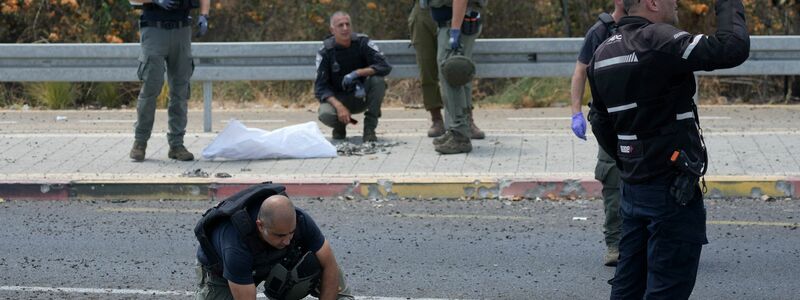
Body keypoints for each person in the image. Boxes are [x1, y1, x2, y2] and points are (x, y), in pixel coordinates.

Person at [587, 0, 749, 298]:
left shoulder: (603, 51)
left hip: (632, 189)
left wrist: (628, 161)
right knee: (667, 289)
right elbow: (732, 48)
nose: (676, 3)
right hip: (670, 189)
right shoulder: (658, 39)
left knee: (628, 288)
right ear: (652, 2)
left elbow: (599, 120)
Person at [195, 184, 353, 300]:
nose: (287, 240)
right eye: (280, 235)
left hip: (273, 259)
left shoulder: (300, 219)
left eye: (291, 233)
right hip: (223, 273)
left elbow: (329, 264)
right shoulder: (235, 245)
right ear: (260, 225)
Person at [569, 0, 625, 267]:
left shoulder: (651, 26)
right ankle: (615, 243)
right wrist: (575, 112)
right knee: (612, 179)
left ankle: (651, 240)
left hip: (643, 118)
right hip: (609, 121)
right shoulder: (600, 32)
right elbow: (580, 71)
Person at [128, 0, 209, 162]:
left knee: (180, 90)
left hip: (181, 29)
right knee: (151, 87)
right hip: (154, 29)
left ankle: (176, 145)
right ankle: (140, 142)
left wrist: (203, 15)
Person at [315, 11, 392, 143]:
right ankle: (340, 126)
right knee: (325, 114)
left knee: (378, 81)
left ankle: (369, 129)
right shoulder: (325, 52)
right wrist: (339, 107)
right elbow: (320, 87)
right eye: (340, 25)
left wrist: (359, 73)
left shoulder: (363, 42)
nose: (345, 28)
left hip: (361, 96)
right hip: (339, 98)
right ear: (332, 30)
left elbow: (385, 66)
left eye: (347, 24)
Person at [428, 0, 487, 154]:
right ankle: (461, 129)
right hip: (453, 22)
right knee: (459, 78)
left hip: (454, 24)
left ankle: (460, 136)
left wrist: (455, 29)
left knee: (452, 74)